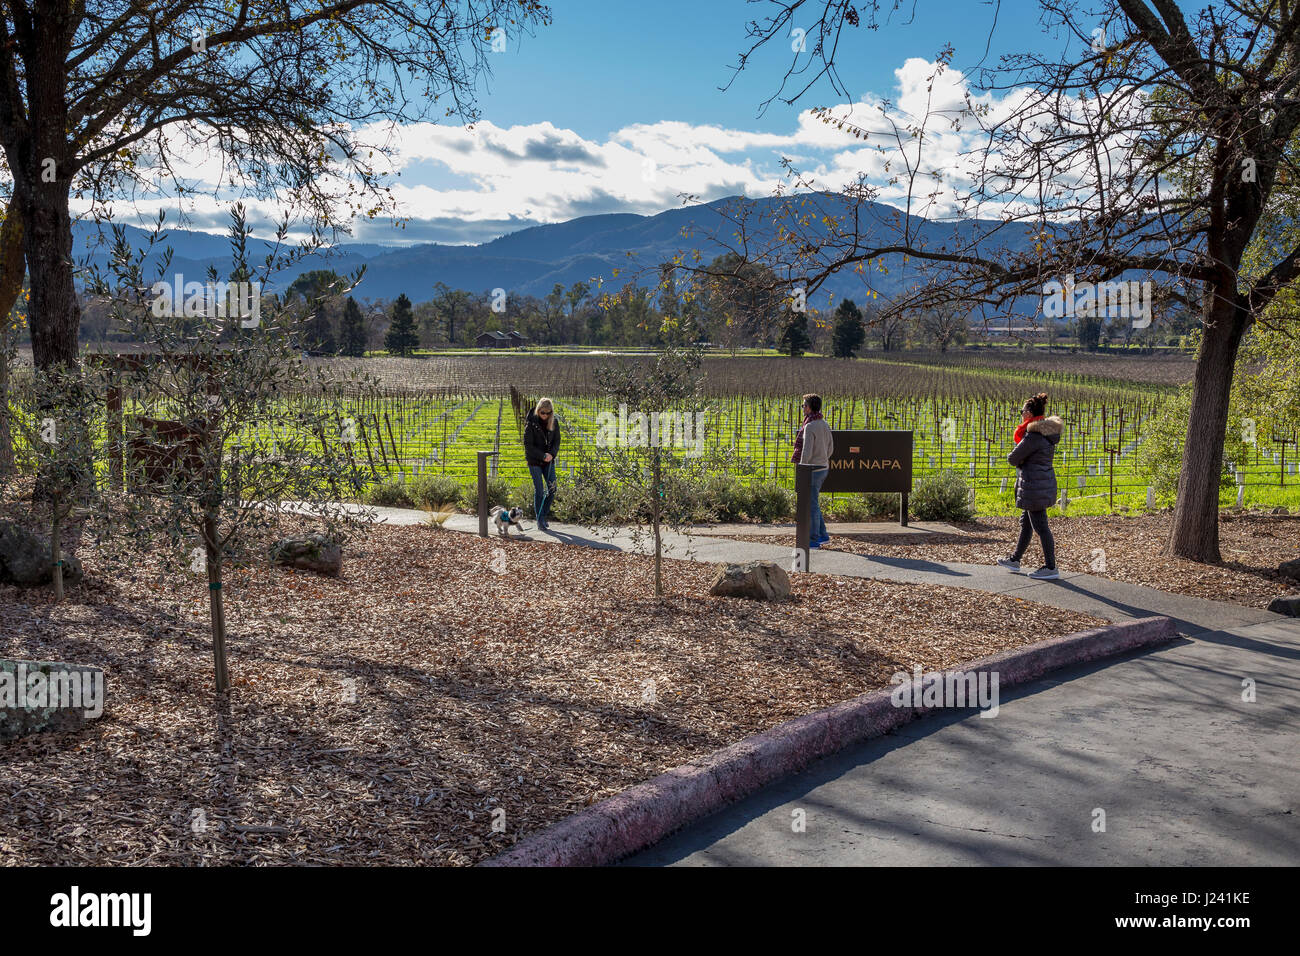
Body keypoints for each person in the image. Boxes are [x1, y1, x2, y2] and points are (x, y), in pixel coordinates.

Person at [998, 391, 1063, 580]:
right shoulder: (1046, 433)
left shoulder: (1033, 436)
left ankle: (1051, 567)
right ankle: (1015, 560)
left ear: (1029, 413)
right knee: (1026, 523)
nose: (1021, 413)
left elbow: (1013, 458)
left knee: (1041, 526)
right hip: (1042, 482)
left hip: (1034, 485)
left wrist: (1021, 461)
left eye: (1022, 410)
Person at [791, 393, 833, 548]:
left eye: (803, 405)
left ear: (808, 407)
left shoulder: (809, 426)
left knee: (811, 505)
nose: (802, 408)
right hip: (823, 468)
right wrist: (822, 459)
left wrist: (802, 470)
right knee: (814, 502)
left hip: (811, 470)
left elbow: (806, 452)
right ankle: (823, 535)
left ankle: (814, 539)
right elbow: (831, 448)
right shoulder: (824, 424)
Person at [524, 397, 561, 531]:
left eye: (548, 413)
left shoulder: (554, 422)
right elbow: (528, 445)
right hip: (534, 460)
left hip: (548, 460)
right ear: (538, 411)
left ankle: (543, 515)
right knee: (539, 490)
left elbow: (557, 441)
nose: (545, 416)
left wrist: (552, 454)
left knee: (552, 488)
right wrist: (542, 455)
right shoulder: (531, 423)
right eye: (543, 413)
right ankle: (539, 519)